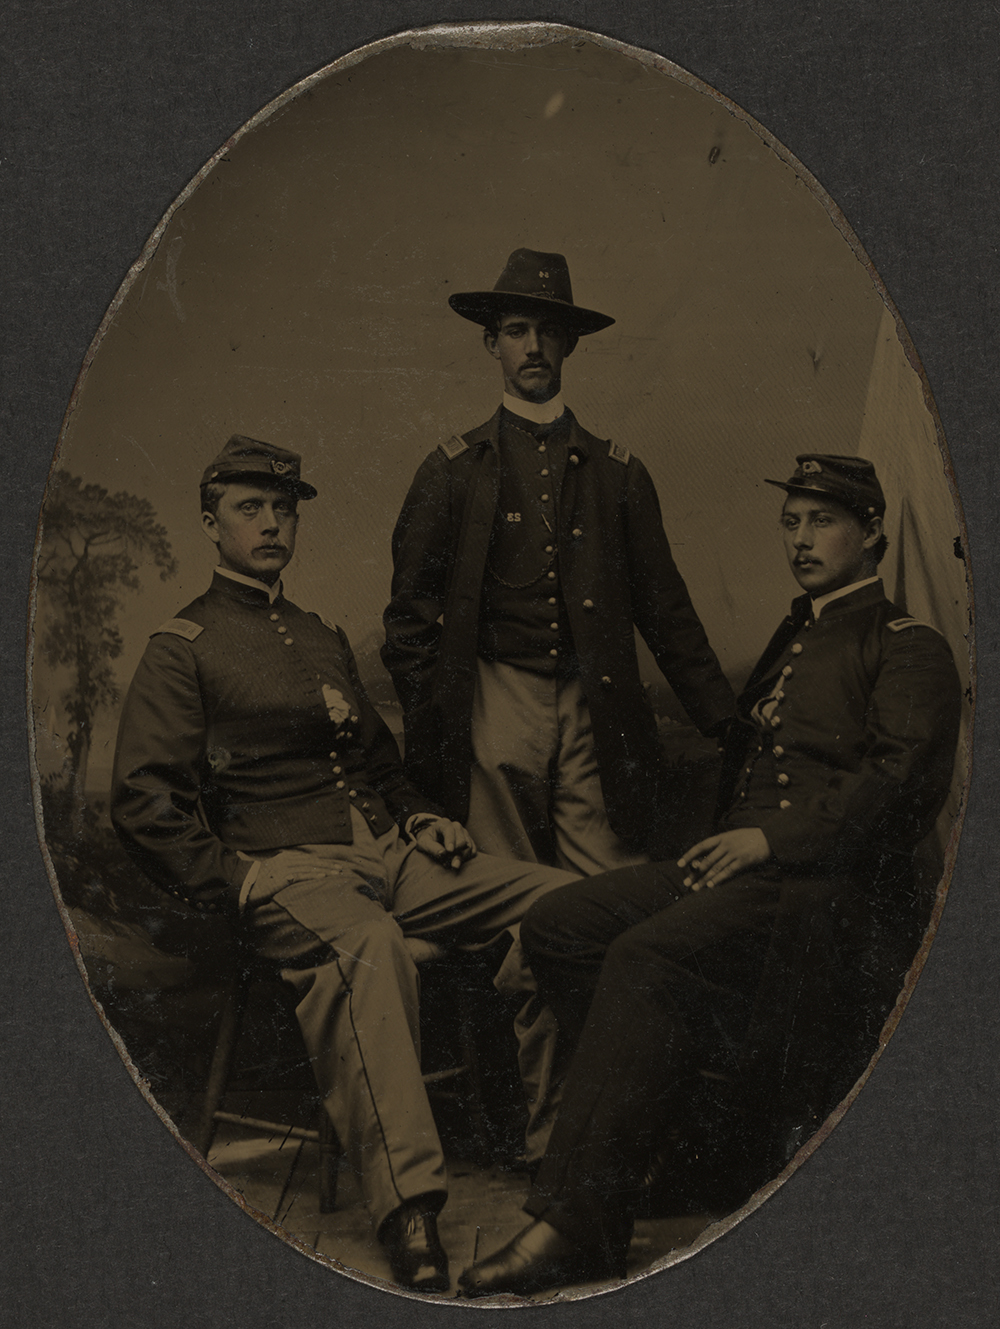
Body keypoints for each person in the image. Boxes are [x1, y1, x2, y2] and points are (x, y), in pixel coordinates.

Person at [457, 453, 963, 1298]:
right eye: (791, 521)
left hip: (833, 893)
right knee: (561, 926)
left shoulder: (908, 648)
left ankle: (577, 1224)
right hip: (754, 876)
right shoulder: (795, 635)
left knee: (645, 957)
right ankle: (660, 1138)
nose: (801, 539)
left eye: (823, 521)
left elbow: (899, 789)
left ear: (871, 533)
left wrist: (764, 843)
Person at [110, 436, 579, 1295]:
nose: (272, 522)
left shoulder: (319, 635)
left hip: (388, 854)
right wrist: (241, 878)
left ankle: (568, 1161)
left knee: (563, 902)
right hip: (288, 874)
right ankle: (411, 1209)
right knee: (370, 946)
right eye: (250, 507)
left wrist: (421, 815)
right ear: (210, 520)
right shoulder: (184, 645)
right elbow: (143, 799)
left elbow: (378, 759)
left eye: (283, 507)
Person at [382, 247, 735, 875]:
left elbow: (667, 612)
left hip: (593, 703)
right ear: (492, 343)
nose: (534, 346)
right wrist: (441, 723)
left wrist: (726, 722)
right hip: (492, 700)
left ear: (570, 343)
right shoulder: (452, 472)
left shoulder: (619, 475)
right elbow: (410, 623)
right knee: (503, 882)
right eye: (517, 331)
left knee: (605, 884)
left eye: (549, 330)